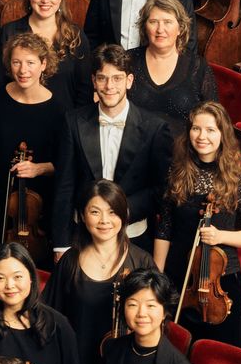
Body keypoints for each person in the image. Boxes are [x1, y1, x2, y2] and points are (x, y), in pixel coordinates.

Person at [51, 45, 172, 258]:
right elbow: (64, 187)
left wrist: (119, 211)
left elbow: (161, 188)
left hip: (132, 233)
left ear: (129, 81)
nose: (109, 86)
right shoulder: (73, 121)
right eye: (102, 78)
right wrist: (61, 245)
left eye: (117, 78)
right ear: (93, 81)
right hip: (83, 234)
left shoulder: (155, 127)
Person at [152, 102, 241, 345]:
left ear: (223, 134)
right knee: (174, 347)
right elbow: (165, 227)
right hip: (178, 276)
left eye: (210, 130)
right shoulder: (177, 173)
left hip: (221, 282)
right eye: (196, 129)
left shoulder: (236, 180)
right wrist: (157, 276)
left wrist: (220, 236)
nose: (202, 136)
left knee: (217, 354)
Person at [43, 181, 157, 364]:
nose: (104, 221)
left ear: (124, 216)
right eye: (95, 212)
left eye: (112, 212)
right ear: (83, 216)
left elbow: (158, 319)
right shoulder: (70, 261)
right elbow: (50, 314)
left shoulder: (141, 261)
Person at [0, 33, 62, 244]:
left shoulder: (58, 110)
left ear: (43, 64)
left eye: (30, 62)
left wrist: (39, 168)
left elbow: (65, 163)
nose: (23, 70)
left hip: (37, 209)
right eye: (16, 62)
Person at [0, 0, 91, 102]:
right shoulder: (9, 32)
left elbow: (85, 90)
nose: (45, 0)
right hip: (20, 117)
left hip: (65, 120)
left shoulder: (75, 35)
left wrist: (77, 123)